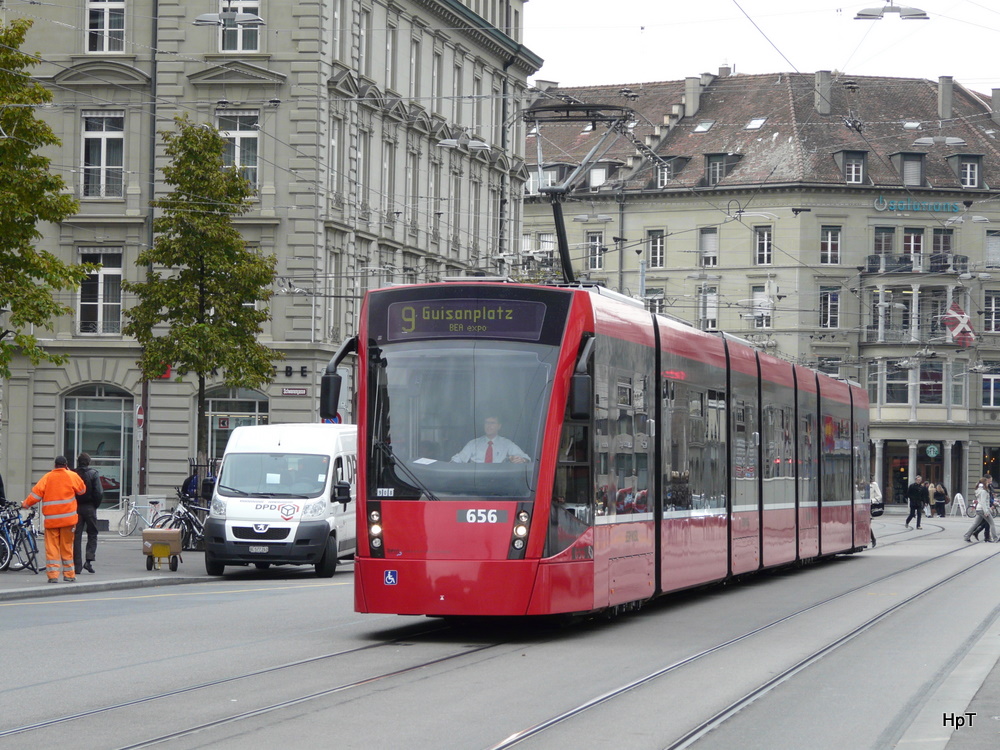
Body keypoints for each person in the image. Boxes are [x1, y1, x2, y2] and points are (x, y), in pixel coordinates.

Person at [22, 455, 86, 583]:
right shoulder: (72, 476)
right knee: (67, 547)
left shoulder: (47, 477)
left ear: (55, 465)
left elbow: (35, 494)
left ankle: (53, 576)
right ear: (66, 464)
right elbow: (82, 490)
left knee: (52, 548)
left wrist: (25, 504)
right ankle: (69, 574)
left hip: (52, 521)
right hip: (68, 520)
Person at [451, 415, 529, 464]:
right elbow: (458, 459)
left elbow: (525, 458)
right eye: (487, 423)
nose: (489, 426)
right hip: (475, 482)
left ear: (499, 426)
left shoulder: (507, 444)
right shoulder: (473, 444)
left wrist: (522, 460)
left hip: (500, 482)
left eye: (492, 423)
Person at [73, 453, 103, 574]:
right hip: (90, 506)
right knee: (92, 533)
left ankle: (77, 565)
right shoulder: (93, 473)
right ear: (88, 462)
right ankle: (89, 560)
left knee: (76, 536)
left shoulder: (73, 474)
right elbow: (99, 492)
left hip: (76, 507)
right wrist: (95, 505)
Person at [964, 477, 997, 543]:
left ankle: (966, 536)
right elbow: (983, 502)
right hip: (983, 509)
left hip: (979, 509)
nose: (988, 484)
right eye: (987, 482)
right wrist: (986, 511)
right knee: (992, 523)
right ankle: (995, 538)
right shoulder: (984, 492)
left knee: (975, 524)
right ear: (985, 483)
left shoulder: (979, 490)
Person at [870, 477, 883, 547]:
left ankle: (872, 539)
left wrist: (872, 500)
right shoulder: (858, 485)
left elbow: (879, 496)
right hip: (859, 506)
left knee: (867, 524)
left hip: (869, 506)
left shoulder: (874, 485)